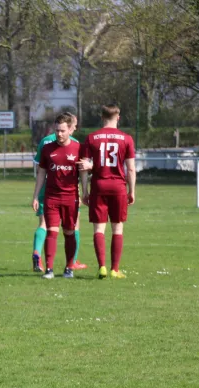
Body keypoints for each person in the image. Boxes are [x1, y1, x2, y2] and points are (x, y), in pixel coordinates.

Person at [78, 104, 136, 279]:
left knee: (99, 229)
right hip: (118, 187)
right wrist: (131, 191)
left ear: (102, 117)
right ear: (118, 117)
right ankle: (115, 269)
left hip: (99, 186)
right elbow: (131, 169)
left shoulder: (91, 138)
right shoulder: (126, 139)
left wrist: (84, 191)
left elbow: (83, 167)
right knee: (117, 228)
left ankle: (102, 266)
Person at [31, 112, 88, 273]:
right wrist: (35, 196)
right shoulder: (48, 147)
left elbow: (83, 172)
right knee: (51, 231)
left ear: (70, 130)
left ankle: (69, 267)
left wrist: (85, 192)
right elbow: (41, 172)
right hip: (51, 197)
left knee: (70, 232)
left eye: (62, 130)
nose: (59, 134)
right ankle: (49, 269)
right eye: (57, 130)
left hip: (70, 198)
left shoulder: (79, 147)